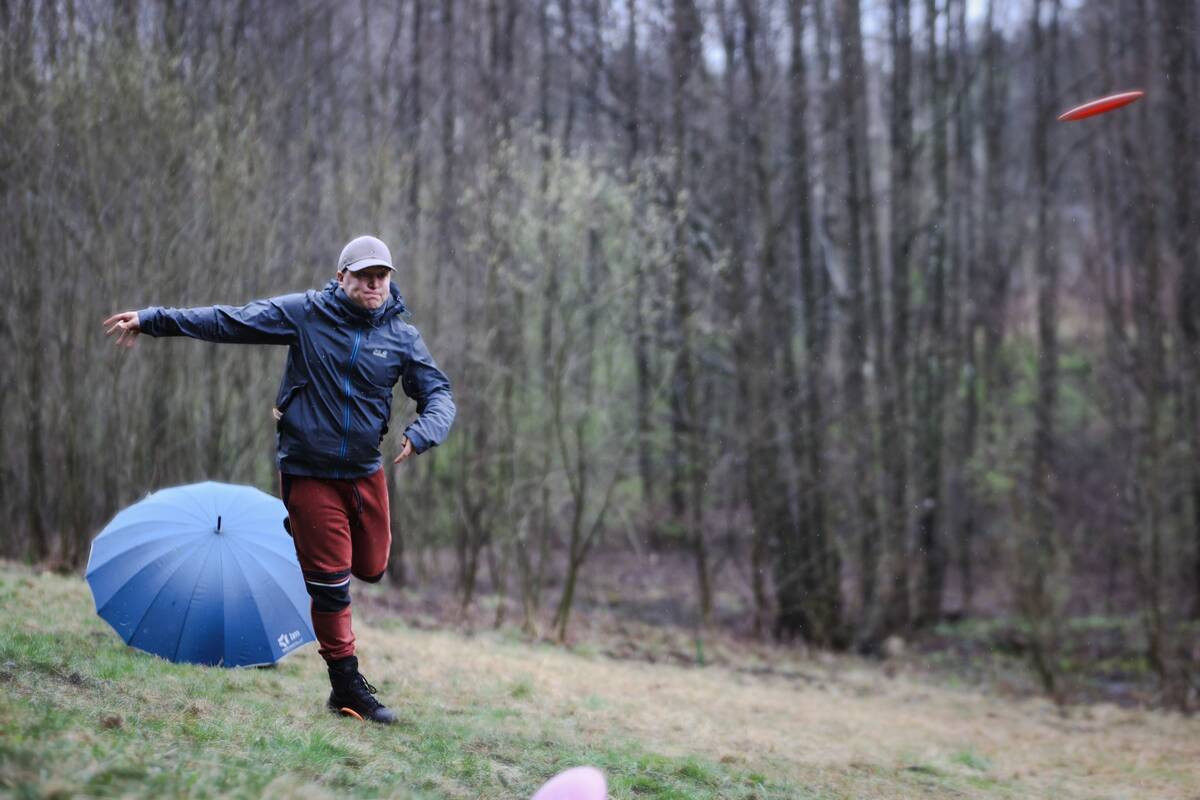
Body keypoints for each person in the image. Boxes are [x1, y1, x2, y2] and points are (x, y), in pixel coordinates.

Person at [103, 235, 455, 724]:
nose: (374, 284)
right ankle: (346, 686)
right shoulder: (305, 314)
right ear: (342, 277)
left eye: (382, 276)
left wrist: (423, 433)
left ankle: (305, 536)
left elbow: (439, 394)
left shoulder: (401, 337)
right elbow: (230, 321)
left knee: (372, 566)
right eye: (364, 275)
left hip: (363, 472)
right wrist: (153, 319)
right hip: (309, 469)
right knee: (331, 585)